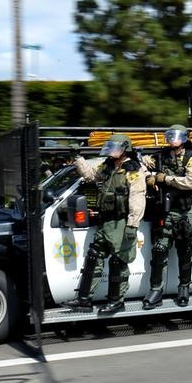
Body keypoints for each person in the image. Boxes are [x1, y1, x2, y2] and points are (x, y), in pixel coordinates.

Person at [62, 134, 147, 314]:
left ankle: (116, 301)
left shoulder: (133, 170)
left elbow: (137, 200)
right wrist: (78, 157)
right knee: (94, 256)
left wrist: (132, 226)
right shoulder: (108, 166)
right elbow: (90, 175)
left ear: (125, 149)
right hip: (105, 221)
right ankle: (84, 299)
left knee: (118, 261)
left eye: (115, 147)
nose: (111, 150)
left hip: (120, 222)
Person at [141, 125, 192, 309]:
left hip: (185, 211)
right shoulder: (160, 156)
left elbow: (191, 182)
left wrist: (165, 179)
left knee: (185, 250)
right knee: (159, 250)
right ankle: (156, 290)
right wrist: (149, 178)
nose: (172, 140)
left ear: (184, 138)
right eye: (170, 136)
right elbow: (140, 163)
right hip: (165, 211)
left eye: (176, 136)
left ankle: (184, 288)